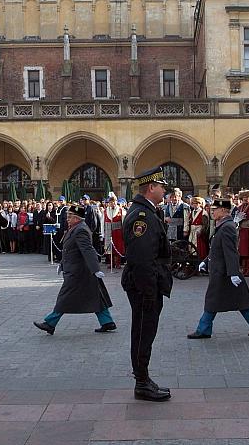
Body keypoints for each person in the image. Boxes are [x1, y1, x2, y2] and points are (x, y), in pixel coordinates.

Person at [122, 167, 173, 401]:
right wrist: (149, 292)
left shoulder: (147, 212)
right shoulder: (141, 217)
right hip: (145, 287)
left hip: (147, 285)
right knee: (143, 333)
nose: (165, 190)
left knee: (144, 332)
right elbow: (142, 259)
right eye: (162, 186)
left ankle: (143, 378)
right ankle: (141, 382)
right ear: (151, 188)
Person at [187, 198, 249, 339]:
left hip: (224, 272)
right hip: (224, 271)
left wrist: (234, 273)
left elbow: (231, 252)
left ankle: (203, 329)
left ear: (224, 210)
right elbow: (217, 249)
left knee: (213, 301)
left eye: (215, 209)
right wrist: (206, 261)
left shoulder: (227, 227)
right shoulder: (223, 225)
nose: (212, 212)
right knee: (240, 300)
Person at [34, 205, 116, 334]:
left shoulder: (80, 230)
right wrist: (61, 264)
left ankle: (50, 323)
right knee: (96, 295)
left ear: (77, 218)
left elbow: (87, 249)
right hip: (80, 270)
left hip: (79, 271)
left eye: (70, 216)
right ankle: (107, 322)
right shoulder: (75, 228)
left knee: (64, 297)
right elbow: (70, 250)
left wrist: (95, 269)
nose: (67, 219)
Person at [236, 190, 249, 277]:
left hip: (248, 230)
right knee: (242, 250)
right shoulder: (240, 207)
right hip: (241, 229)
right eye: (243, 197)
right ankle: (244, 269)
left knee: (248, 250)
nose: (245, 199)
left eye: (247, 197)